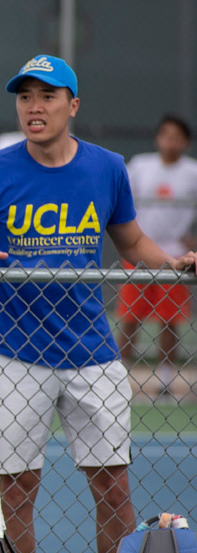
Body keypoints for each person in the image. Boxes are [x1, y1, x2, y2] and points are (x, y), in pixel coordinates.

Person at [0, 55, 197, 553]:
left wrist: (170, 264)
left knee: (113, 489)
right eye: (25, 97)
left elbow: (129, 241)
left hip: (93, 354)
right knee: (16, 490)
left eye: (47, 96)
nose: (35, 107)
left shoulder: (106, 167)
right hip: (14, 354)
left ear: (72, 105)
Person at [116, 115, 197, 396]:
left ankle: (164, 379)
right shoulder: (139, 165)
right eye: (165, 135)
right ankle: (118, 377)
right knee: (129, 318)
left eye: (176, 136)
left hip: (174, 258)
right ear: (157, 138)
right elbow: (118, 196)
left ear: (185, 142)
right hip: (138, 256)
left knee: (169, 320)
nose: (170, 141)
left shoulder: (192, 173)